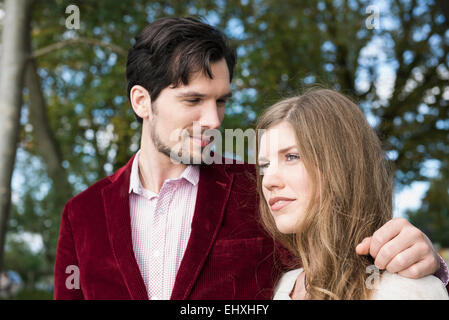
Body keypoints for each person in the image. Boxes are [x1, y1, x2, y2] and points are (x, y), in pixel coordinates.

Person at [54, 17, 448, 300]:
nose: (213, 120)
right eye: (193, 99)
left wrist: (427, 262)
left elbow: (343, 259)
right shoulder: (81, 214)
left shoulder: (260, 189)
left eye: (221, 101)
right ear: (142, 101)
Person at [255, 88, 449, 299]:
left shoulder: (403, 290)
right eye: (264, 166)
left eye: (292, 156)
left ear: (342, 165)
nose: (268, 181)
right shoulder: (281, 286)